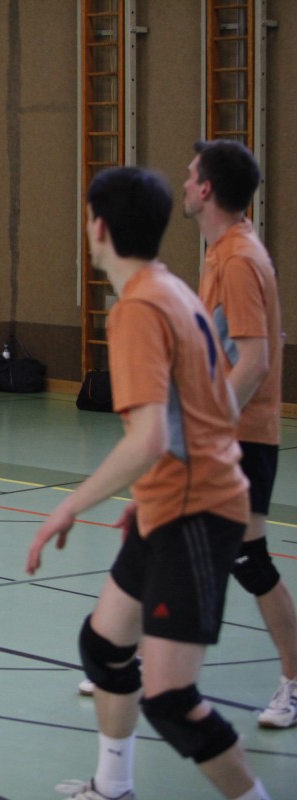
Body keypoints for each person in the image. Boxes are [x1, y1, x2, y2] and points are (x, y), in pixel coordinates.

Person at [26, 167, 269, 800]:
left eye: (88, 217)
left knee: (170, 698)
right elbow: (202, 408)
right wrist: (148, 493)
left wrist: (70, 506)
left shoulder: (137, 308)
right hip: (172, 502)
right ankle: (114, 786)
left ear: (100, 228)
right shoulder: (172, 288)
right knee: (104, 646)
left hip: (198, 513)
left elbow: (149, 438)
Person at [184, 139, 295, 729]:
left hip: (241, 434)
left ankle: (294, 682)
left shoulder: (238, 259)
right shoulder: (222, 250)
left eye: (190, 176)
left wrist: (210, 428)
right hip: (227, 429)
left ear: (206, 190)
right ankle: (149, 661)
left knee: (250, 559)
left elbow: (254, 360)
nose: (184, 183)